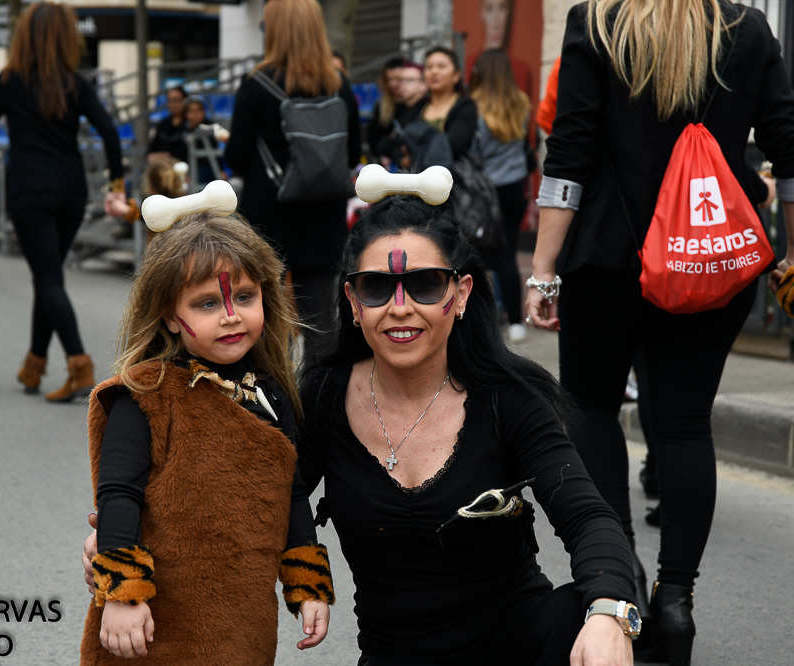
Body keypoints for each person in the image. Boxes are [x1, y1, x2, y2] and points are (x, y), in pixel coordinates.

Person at [83, 169, 641, 665]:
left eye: (424, 283)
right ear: (352, 301)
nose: (400, 306)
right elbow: (255, 498)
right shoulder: (321, 398)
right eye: (377, 287)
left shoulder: (509, 398)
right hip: (395, 655)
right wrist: (130, 549)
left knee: (581, 616)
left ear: (462, 291)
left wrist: (611, 612)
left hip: (516, 645)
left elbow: (589, 517)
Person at [527, 2, 794, 664]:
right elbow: (788, 150)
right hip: (710, 259)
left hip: (607, 262)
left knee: (589, 405)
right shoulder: (749, 29)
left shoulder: (599, 23)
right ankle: (678, 600)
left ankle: (624, 583)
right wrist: (791, 254)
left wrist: (542, 269)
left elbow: (571, 150)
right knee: (682, 427)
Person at [79, 191, 333, 664]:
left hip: (243, 621)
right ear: (169, 317)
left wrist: (306, 581)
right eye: (207, 303)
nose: (231, 315)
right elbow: (118, 497)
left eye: (244, 296)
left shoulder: (273, 395)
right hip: (155, 621)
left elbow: (291, 493)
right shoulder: (146, 394)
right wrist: (122, 596)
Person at [0, 2, 124, 402]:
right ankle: (33, 364)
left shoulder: (9, 81)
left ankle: (80, 366)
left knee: (48, 279)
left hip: (30, 190)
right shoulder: (75, 84)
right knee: (49, 277)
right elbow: (110, 133)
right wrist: (116, 184)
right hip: (71, 192)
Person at [224, 0, 361, 356]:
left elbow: (236, 155)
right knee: (320, 317)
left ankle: (273, 399)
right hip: (323, 209)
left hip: (269, 209)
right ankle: (322, 401)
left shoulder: (256, 84)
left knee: (266, 311)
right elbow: (351, 153)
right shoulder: (339, 84)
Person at [468, 49, 531, 342]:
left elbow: (474, 155)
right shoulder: (520, 103)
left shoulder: (474, 106)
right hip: (514, 188)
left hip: (485, 192)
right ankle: (517, 323)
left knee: (480, 257)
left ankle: (485, 322)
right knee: (509, 255)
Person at [402, 47, 478, 164]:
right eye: (429, 67)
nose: (434, 71)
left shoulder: (465, 106)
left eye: (441, 66)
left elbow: (454, 147)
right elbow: (402, 144)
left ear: (456, 75)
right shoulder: (419, 105)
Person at [367, 56, 405, 165]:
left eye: (398, 79)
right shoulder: (381, 106)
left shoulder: (415, 105)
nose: (393, 84)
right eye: (389, 80)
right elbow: (373, 140)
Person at [147, 85, 187, 165]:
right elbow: (151, 152)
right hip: (163, 168)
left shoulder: (191, 123)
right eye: (171, 100)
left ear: (185, 100)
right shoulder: (163, 125)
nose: (175, 104)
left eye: (177, 100)